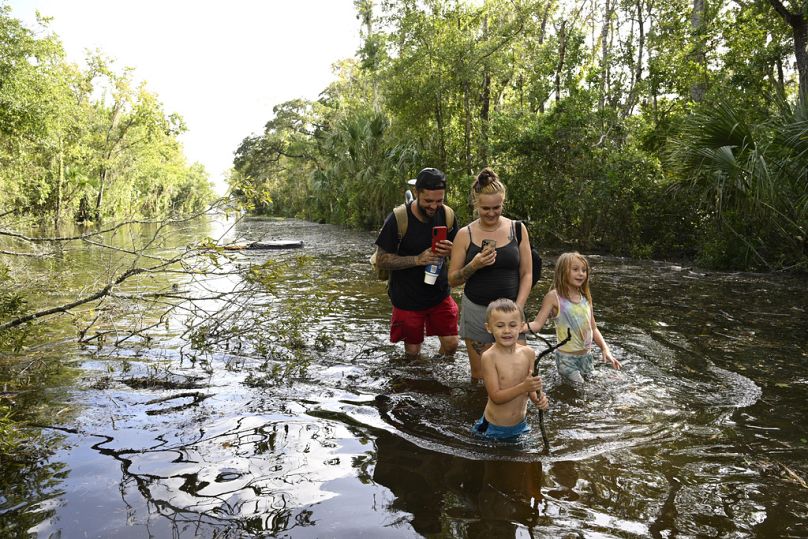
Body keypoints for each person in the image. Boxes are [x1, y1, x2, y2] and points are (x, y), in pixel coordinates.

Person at [448, 167, 532, 380]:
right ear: (476, 205)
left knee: (517, 374)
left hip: (511, 313)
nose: (492, 213)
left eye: (497, 207)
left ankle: (513, 414)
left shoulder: (518, 229)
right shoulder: (464, 235)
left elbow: (527, 274)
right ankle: (481, 413)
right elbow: (452, 280)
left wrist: (518, 309)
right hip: (477, 310)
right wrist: (474, 265)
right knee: (481, 376)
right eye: (486, 208)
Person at [374, 167, 460, 358]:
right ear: (416, 193)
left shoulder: (447, 215)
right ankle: (420, 383)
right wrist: (417, 260)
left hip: (439, 293)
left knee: (452, 344)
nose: (434, 206)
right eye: (428, 201)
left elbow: (461, 251)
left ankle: (439, 378)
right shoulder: (398, 219)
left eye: (439, 201)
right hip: (407, 297)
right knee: (413, 354)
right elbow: (381, 259)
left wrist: (452, 250)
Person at [525, 252, 621, 384]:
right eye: (575, 269)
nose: (581, 273)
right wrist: (517, 327)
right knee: (582, 389)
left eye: (584, 270)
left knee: (597, 385)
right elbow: (537, 324)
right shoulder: (554, 297)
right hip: (566, 359)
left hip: (586, 357)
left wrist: (605, 349)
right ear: (563, 272)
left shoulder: (585, 297)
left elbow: (593, 327)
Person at [472, 299, 548, 440]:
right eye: (500, 326)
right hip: (493, 429)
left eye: (513, 325)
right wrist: (524, 386)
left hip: (520, 427)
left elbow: (531, 388)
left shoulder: (528, 353)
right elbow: (496, 397)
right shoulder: (489, 357)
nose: (507, 330)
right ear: (489, 328)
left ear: (521, 326)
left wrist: (539, 398)